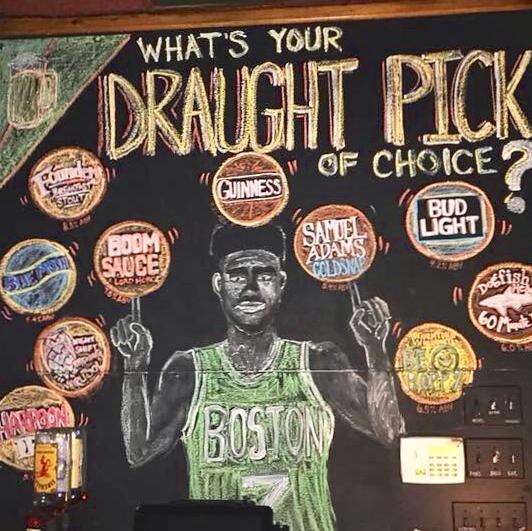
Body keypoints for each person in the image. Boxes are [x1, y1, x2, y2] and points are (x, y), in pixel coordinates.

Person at [111, 224, 404, 531]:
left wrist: (375, 350)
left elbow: (390, 433)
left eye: (263, 276)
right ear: (218, 284)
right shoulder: (189, 369)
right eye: (237, 276)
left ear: (281, 283)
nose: (250, 288)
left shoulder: (318, 361)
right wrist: (135, 367)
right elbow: (139, 453)